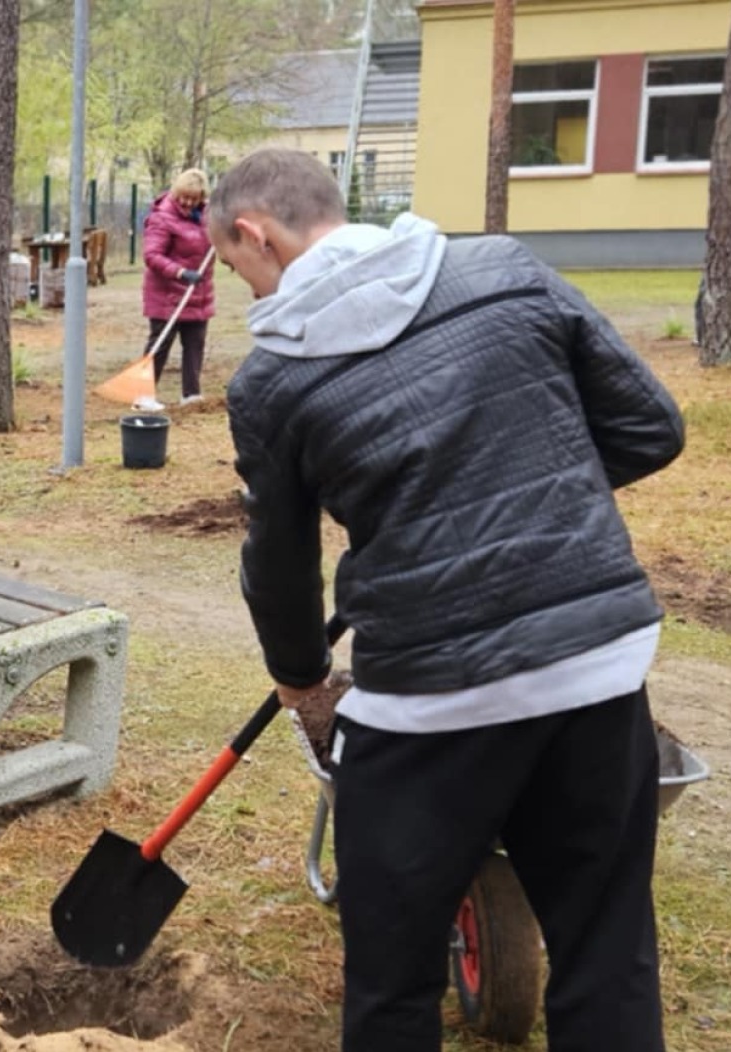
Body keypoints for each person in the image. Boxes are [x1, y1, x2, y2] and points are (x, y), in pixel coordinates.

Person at [207, 149, 685, 1049]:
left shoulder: (270, 383)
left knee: (391, 983)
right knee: (606, 948)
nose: (246, 295)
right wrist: (542, 491)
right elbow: (649, 428)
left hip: (430, 701)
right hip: (598, 667)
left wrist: (302, 678)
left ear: (253, 234)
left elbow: (278, 567)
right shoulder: (505, 270)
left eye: (238, 272)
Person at [136, 168, 218, 412]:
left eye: (194, 198)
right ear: (176, 192)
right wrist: (181, 272)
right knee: (160, 343)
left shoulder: (207, 217)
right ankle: (143, 394)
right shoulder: (162, 217)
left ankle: (191, 394)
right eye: (184, 196)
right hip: (167, 294)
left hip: (198, 293)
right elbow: (152, 256)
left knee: (195, 343)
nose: (188, 202)